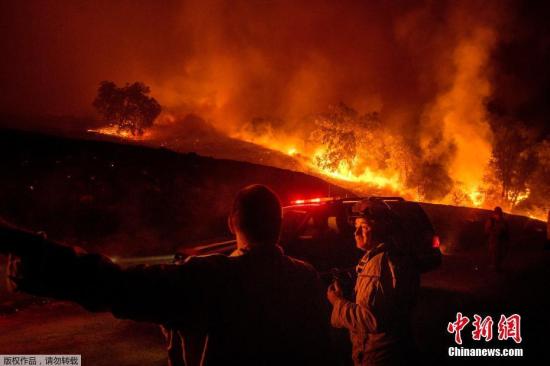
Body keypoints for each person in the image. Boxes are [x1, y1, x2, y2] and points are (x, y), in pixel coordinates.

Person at [1, 184, 332, 365]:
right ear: (279, 226)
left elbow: (116, 287)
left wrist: (40, 257)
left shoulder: (211, 278)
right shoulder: (306, 279)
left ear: (231, 223)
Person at [326, 210, 419, 366]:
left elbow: (371, 320)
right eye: (356, 226)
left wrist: (337, 302)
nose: (356, 232)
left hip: (378, 356)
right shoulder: (385, 256)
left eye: (364, 226)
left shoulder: (380, 264)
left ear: (382, 229)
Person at [484, 206, 509, 272]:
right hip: (494, 239)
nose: (498, 215)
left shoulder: (503, 221)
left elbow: (506, 230)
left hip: (500, 240)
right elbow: (487, 230)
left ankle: (497, 266)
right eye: (497, 213)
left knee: (499, 253)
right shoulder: (491, 220)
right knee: (493, 253)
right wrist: (493, 232)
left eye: (499, 213)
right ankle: (494, 266)